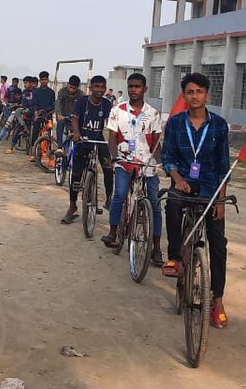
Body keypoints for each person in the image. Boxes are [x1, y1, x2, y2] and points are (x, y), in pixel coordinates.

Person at [161, 72, 231, 327]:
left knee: (218, 244)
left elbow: (224, 167)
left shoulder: (220, 125)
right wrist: (178, 178)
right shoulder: (176, 123)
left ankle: (218, 301)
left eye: (199, 91)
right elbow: (167, 157)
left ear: (207, 95)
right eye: (189, 92)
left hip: (211, 187)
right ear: (184, 95)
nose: (194, 96)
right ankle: (175, 259)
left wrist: (221, 202)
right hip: (184, 183)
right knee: (173, 201)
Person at [102, 72, 163, 256]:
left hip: (146, 163)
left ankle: (156, 248)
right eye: (131, 86)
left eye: (137, 86)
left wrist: (161, 163)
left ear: (144, 89)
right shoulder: (117, 110)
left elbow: (156, 143)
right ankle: (113, 232)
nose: (133, 90)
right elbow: (112, 137)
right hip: (124, 161)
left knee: (155, 203)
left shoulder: (153, 113)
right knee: (119, 194)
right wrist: (114, 157)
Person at [60, 75, 114, 227]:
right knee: (76, 174)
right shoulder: (82, 101)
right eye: (97, 87)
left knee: (109, 167)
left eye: (103, 87)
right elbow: (75, 119)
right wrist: (76, 133)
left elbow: (111, 124)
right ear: (91, 87)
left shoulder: (107, 104)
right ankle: (72, 206)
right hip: (83, 140)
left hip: (98, 139)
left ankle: (109, 198)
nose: (100, 90)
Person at [28, 71, 56, 159]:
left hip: (47, 114)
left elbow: (52, 105)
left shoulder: (51, 92)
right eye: (42, 79)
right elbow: (34, 104)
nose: (44, 81)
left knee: (50, 134)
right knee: (35, 132)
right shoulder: (36, 91)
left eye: (46, 79)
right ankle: (33, 151)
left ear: (48, 80)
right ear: (40, 80)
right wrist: (36, 114)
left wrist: (45, 110)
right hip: (38, 115)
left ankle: (48, 151)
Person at [54, 75, 81, 146]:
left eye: (74, 88)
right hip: (62, 114)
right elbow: (58, 103)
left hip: (73, 116)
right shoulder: (62, 92)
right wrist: (59, 114)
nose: (72, 90)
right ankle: (59, 146)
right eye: (70, 87)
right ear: (67, 84)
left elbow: (82, 108)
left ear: (78, 87)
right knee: (60, 123)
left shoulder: (81, 95)